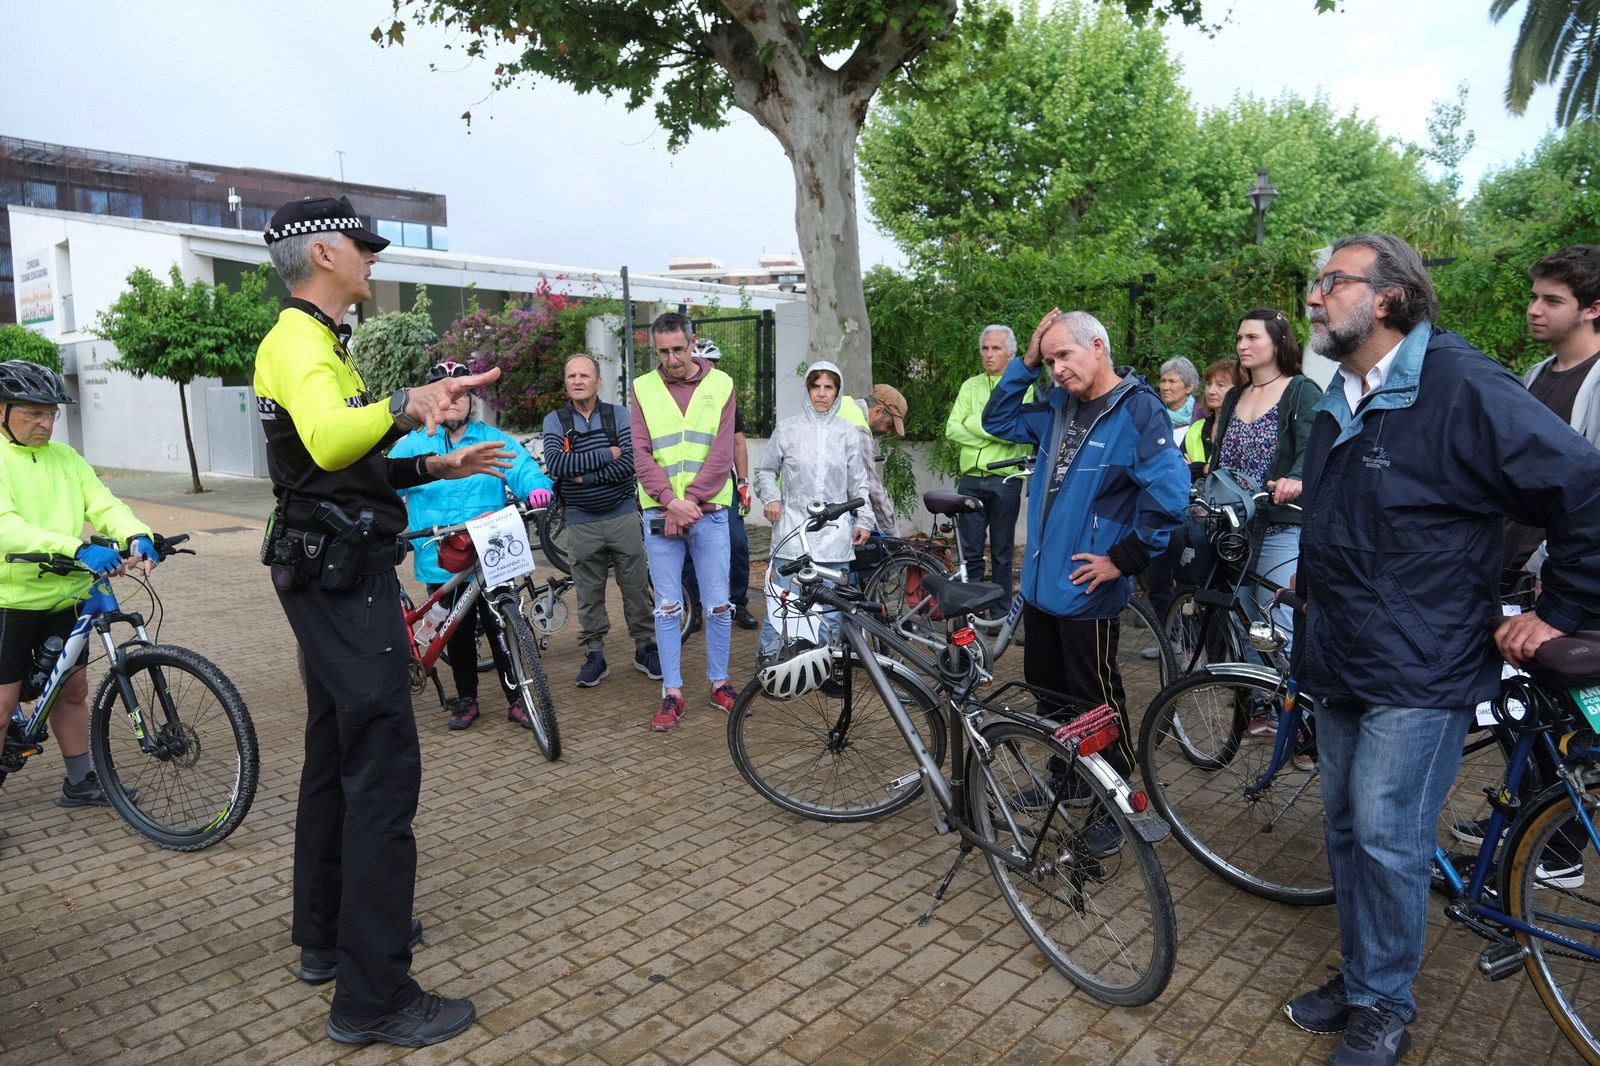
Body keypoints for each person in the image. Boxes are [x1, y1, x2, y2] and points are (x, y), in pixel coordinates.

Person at [1281, 233, 1600, 1066]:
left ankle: (1385, 1005)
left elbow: (1585, 488)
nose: (1314, 297)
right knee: (1348, 829)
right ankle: (1361, 981)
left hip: (1421, 662)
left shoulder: (1461, 382)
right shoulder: (1339, 392)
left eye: (1332, 282)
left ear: (1388, 298)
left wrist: (1559, 610)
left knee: (1389, 834)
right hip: (1343, 649)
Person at [256, 195, 509, 1048]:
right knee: (382, 771)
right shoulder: (297, 343)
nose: (372, 261)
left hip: (325, 570)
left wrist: (438, 458)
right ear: (324, 252)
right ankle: (374, 994)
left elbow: (339, 465)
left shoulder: (315, 345)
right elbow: (331, 443)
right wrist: (409, 400)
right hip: (343, 581)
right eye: (363, 249)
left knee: (335, 756)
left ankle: (328, 940)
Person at [983, 309, 1188, 856]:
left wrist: (1122, 560)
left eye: (1062, 357)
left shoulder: (1139, 411)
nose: (1056, 370)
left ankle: (1115, 802)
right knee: (1048, 691)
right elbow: (998, 421)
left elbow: (1170, 497)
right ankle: (1069, 776)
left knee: (1095, 699)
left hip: (1087, 588)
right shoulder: (1056, 406)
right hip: (1043, 584)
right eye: (1048, 361)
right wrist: (1024, 360)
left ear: (1097, 346)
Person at [0, 360, 159, 809]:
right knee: (3, 706)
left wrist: (137, 533)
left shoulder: (65, 458)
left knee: (72, 691)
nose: (45, 422)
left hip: (65, 594)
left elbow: (103, 503)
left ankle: (81, 781)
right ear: (2, 411)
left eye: (51, 413)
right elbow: (6, 526)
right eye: (33, 413)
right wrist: (76, 546)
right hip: (9, 599)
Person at [390, 360, 554, 729]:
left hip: (491, 552)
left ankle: (518, 699)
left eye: (461, 395)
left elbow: (523, 468)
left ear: (471, 400)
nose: (453, 402)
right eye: (446, 394)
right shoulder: (413, 446)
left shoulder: (491, 439)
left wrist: (538, 488)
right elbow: (384, 485)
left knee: (501, 626)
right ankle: (466, 699)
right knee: (456, 633)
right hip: (440, 557)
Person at [1210, 308, 1320, 737]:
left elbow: (1312, 448)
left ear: (1278, 342)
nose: (1243, 345)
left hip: (1279, 524)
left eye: (1253, 337)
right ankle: (1262, 709)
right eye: (1239, 337)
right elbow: (1222, 456)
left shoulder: (1300, 390)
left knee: (1281, 624)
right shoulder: (1235, 395)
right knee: (1243, 618)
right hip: (1234, 525)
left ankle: (1304, 720)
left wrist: (1295, 479)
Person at [629, 311, 738, 730]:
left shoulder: (722, 384)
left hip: (707, 512)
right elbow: (640, 454)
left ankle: (720, 683)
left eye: (678, 348)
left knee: (719, 605)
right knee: (667, 607)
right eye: (663, 351)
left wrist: (687, 502)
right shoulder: (642, 388)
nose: (671, 358)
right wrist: (670, 502)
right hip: (662, 512)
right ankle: (672, 693)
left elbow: (721, 453)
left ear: (694, 343)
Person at [540, 353, 660, 689]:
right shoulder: (555, 421)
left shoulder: (619, 415)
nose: (577, 381)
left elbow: (632, 463)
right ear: (566, 382)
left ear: (598, 381)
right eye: (571, 376)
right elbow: (557, 466)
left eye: (584, 375)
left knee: (636, 588)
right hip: (580, 522)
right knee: (588, 593)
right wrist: (609, 453)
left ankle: (645, 648)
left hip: (622, 516)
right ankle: (595, 654)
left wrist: (584, 476)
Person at [753, 362, 875, 664]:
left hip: (835, 537)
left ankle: (825, 667)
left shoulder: (847, 433)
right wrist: (771, 498)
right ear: (807, 390)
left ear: (837, 392)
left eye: (828, 387)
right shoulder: (788, 429)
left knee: (832, 609)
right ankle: (769, 666)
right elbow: (765, 471)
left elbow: (859, 483)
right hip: (793, 532)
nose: (821, 393)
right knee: (784, 604)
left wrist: (865, 519)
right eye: (816, 386)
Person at [1505, 244, 1600, 575]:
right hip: (1511, 565)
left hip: (1563, 576)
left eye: (1552, 301)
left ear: (1593, 309)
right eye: (1534, 297)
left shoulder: (1596, 381)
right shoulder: (1534, 375)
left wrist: (1555, 568)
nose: (1534, 310)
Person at [945, 325, 1034, 594]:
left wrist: (972, 423)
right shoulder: (970, 385)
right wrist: (990, 427)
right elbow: (951, 429)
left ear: (1011, 353)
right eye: (985, 348)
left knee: (1002, 553)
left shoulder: (1023, 388)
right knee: (969, 553)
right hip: (971, 479)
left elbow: (1014, 434)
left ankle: (1000, 614)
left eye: (996, 348)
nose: (989, 354)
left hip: (1005, 479)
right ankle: (971, 615)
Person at [680, 338, 759, 633]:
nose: (704, 369)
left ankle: (738, 602)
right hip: (686, 486)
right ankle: (696, 608)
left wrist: (743, 482)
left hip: (723, 485)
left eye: (711, 364)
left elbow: (738, 442)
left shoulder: (725, 397)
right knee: (688, 549)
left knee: (737, 545)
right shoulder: (678, 400)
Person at [1182, 359, 1243, 477]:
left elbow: (1233, 472)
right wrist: (1203, 469)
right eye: (1209, 384)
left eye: (1220, 385)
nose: (1210, 391)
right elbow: (1178, 469)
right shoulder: (1196, 428)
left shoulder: (1244, 427)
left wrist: (1195, 468)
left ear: (1239, 389)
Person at [1156, 356, 1202, 433]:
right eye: (1163, 381)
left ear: (1189, 387)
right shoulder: (1152, 416)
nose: (1165, 387)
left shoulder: (1201, 417)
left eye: (1172, 381)